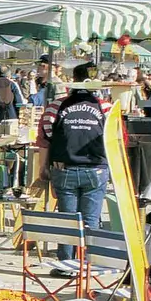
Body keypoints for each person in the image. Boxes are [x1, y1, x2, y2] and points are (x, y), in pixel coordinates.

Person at [33, 62, 113, 261]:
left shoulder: (54, 107)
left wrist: (43, 168)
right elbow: (116, 141)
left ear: (73, 81)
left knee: (68, 221)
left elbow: (44, 140)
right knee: (91, 221)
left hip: (64, 168)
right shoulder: (106, 108)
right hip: (96, 169)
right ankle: (87, 265)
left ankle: (66, 264)